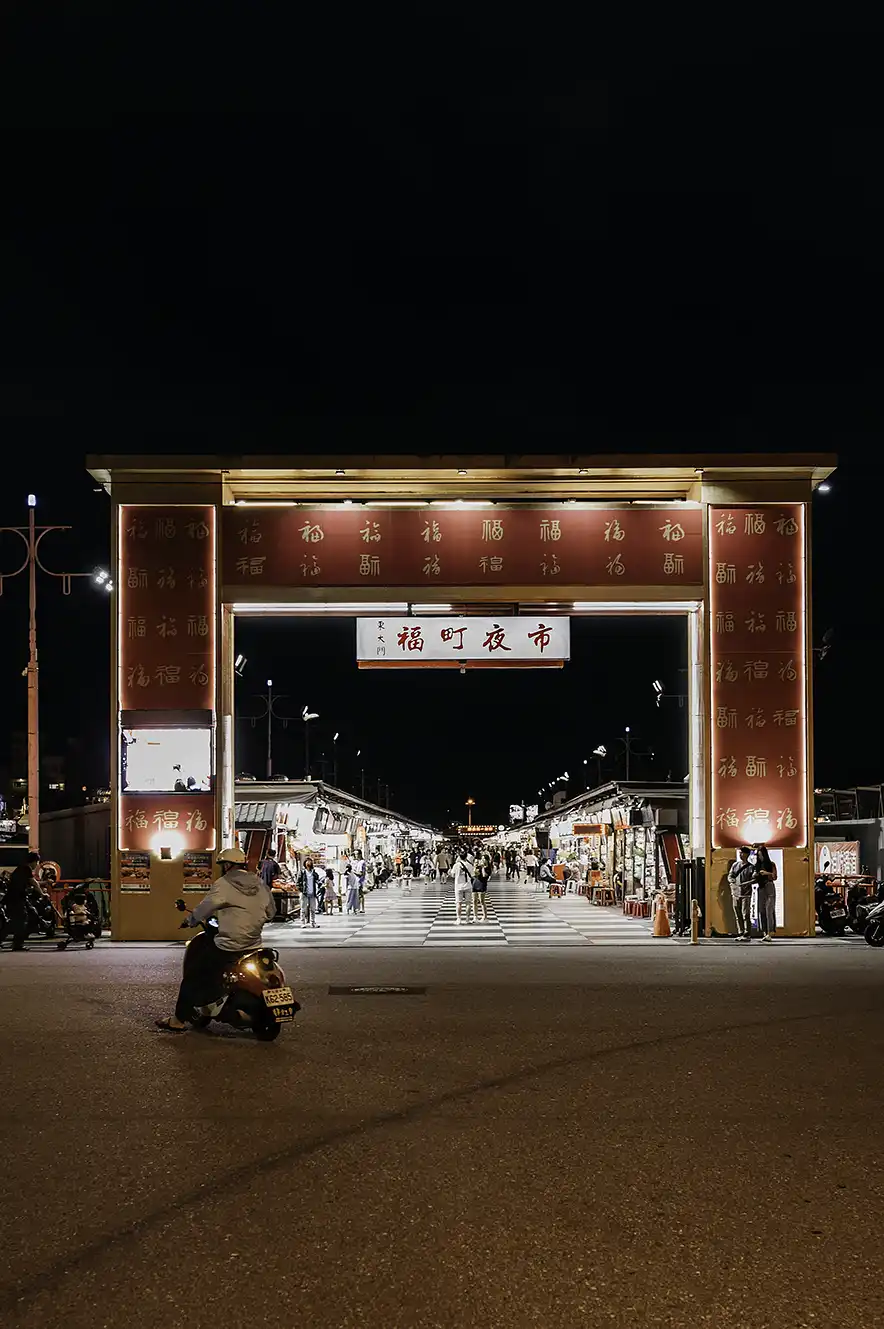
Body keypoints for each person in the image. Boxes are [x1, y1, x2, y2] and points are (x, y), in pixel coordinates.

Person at [155, 846, 276, 1031]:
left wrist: (190, 920)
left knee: (193, 976)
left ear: (227, 865)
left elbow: (206, 907)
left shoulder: (224, 884)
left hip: (229, 945)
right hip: (254, 945)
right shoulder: (260, 884)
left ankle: (178, 1020)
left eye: (222, 864)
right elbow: (271, 912)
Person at [4, 851, 41, 951]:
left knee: (31, 914)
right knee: (20, 920)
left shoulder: (21, 868)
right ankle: (17, 944)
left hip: (20, 898)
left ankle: (19, 940)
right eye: (37, 862)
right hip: (16, 899)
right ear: (34, 861)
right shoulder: (26, 868)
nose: (37, 865)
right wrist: (42, 894)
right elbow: (33, 882)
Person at [727, 847, 757, 941]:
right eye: (740, 853)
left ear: (747, 855)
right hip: (735, 893)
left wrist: (747, 883)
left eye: (742, 853)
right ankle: (740, 932)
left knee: (745, 914)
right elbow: (730, 875)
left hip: (746, 893)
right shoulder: (735, 865)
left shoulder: (751, 867)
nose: (740, 855)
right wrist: (732, 881)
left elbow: (754, 879)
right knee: (737, 913)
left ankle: (747, 933)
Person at [754, 844, 778, 941]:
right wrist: (755, 875)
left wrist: (766, 873)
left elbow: (775, 877)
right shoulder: (757, 866)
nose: (760, 857)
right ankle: (764, 932)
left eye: (761, 855)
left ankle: (769, 933)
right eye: (758, 855)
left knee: (769, 909)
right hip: (761, 887)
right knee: (761, 910)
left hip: (769, 886)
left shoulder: (771, 864)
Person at [297, 856, 323, 929]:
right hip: (304, 893)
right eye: (307, 861)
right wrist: (301, 890)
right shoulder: (302, 872)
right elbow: (298, 882)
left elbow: (318, 879)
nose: (308, 863)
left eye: (310, 861)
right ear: (305, 863)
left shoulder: (313, 872)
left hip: (312, 893)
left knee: (313, 909)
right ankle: (302, 922)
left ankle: (313, 922)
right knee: (303, 908)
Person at [452, 847, 474, 924]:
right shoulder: (470, 865)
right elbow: (473, 875)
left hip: (458, 886)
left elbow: (452, 874)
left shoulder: (456, 865)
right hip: (468, 885)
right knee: (468, 903)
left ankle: (459, 919)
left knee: (458, 903)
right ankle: (467, 919)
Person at [472, 849, 491, 922]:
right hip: (475, 883)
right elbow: (474, 874)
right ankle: (475, 916)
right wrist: (475, 866)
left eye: (484, 859)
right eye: (481, 859)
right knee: (474, 900)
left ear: (487, 860)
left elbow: (484, 875)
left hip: (482, 884)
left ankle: (485, 917)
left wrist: (483, 867)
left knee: (482, 901)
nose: (482, 860)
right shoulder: (478, 866)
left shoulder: (488, 868)